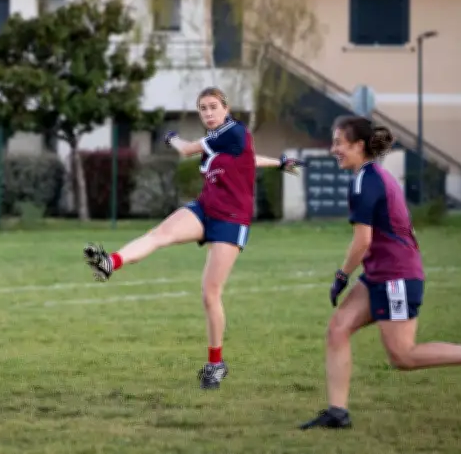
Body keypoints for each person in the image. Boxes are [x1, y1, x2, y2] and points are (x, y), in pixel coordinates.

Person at [83, 86, 305, 389]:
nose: (209, 113)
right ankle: (110, 263)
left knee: (210, 293)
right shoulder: (225, 141)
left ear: (226, 108)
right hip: (205, 209)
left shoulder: (233, 130)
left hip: (231, 220)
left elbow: (186, 149)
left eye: (213, 107)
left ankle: (216, 364)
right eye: (203, 109)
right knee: (159, 234)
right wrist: (279, 163)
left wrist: (170, 137)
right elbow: (249, 160)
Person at [300, 115, 461, 429]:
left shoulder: (367, 181)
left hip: (396, 277)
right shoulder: (368, 175)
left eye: (338, 143)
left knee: (403, 356)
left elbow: (363, 240)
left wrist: (341, 275)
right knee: (338, 329)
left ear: (358, 145)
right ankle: (337, 412)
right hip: (379, 274)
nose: (333, 149)